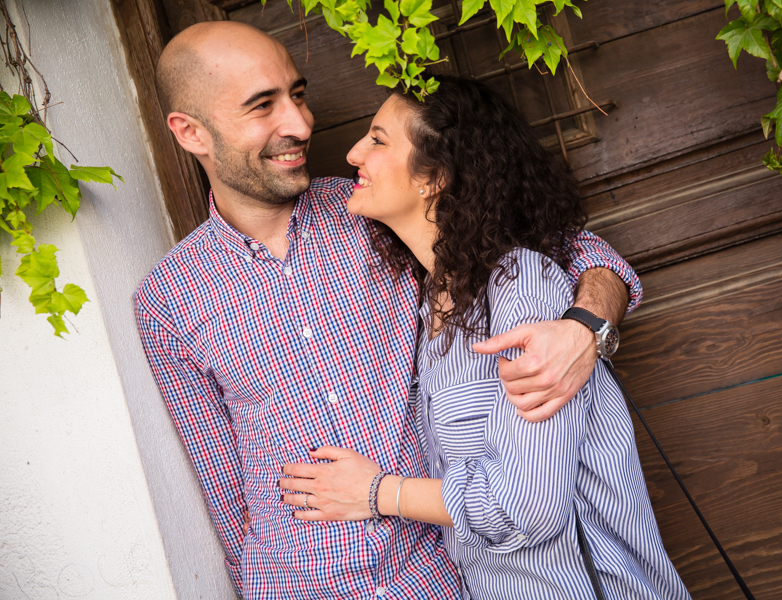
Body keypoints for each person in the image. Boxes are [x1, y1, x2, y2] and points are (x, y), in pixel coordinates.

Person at [134, 21, 642, 600]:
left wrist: (586, 326)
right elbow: (228, 498)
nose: (299, 124)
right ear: (191, 132)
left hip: (447, 570)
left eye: (298, 94)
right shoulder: (168, 298)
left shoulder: (373, 207)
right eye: (262, 106)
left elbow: (569, 251)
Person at [276, 77, 688, 599]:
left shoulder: (520, 283)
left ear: (436, 177)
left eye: (378, 140)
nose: (354, 153)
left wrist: (379, 492)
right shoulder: (429, 307)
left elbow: (528, 509)